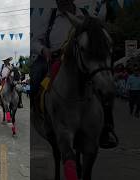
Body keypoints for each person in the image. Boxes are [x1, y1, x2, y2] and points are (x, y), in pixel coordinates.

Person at [31, 0, 117, 148]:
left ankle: (106, 128)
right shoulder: (49, 16)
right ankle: (41, 120)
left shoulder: (84, 15)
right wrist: (44, 50)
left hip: (79, 61)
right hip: (53, 59)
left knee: (105, 85)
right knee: (35, 78)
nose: (61, 2)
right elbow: (34, 41)